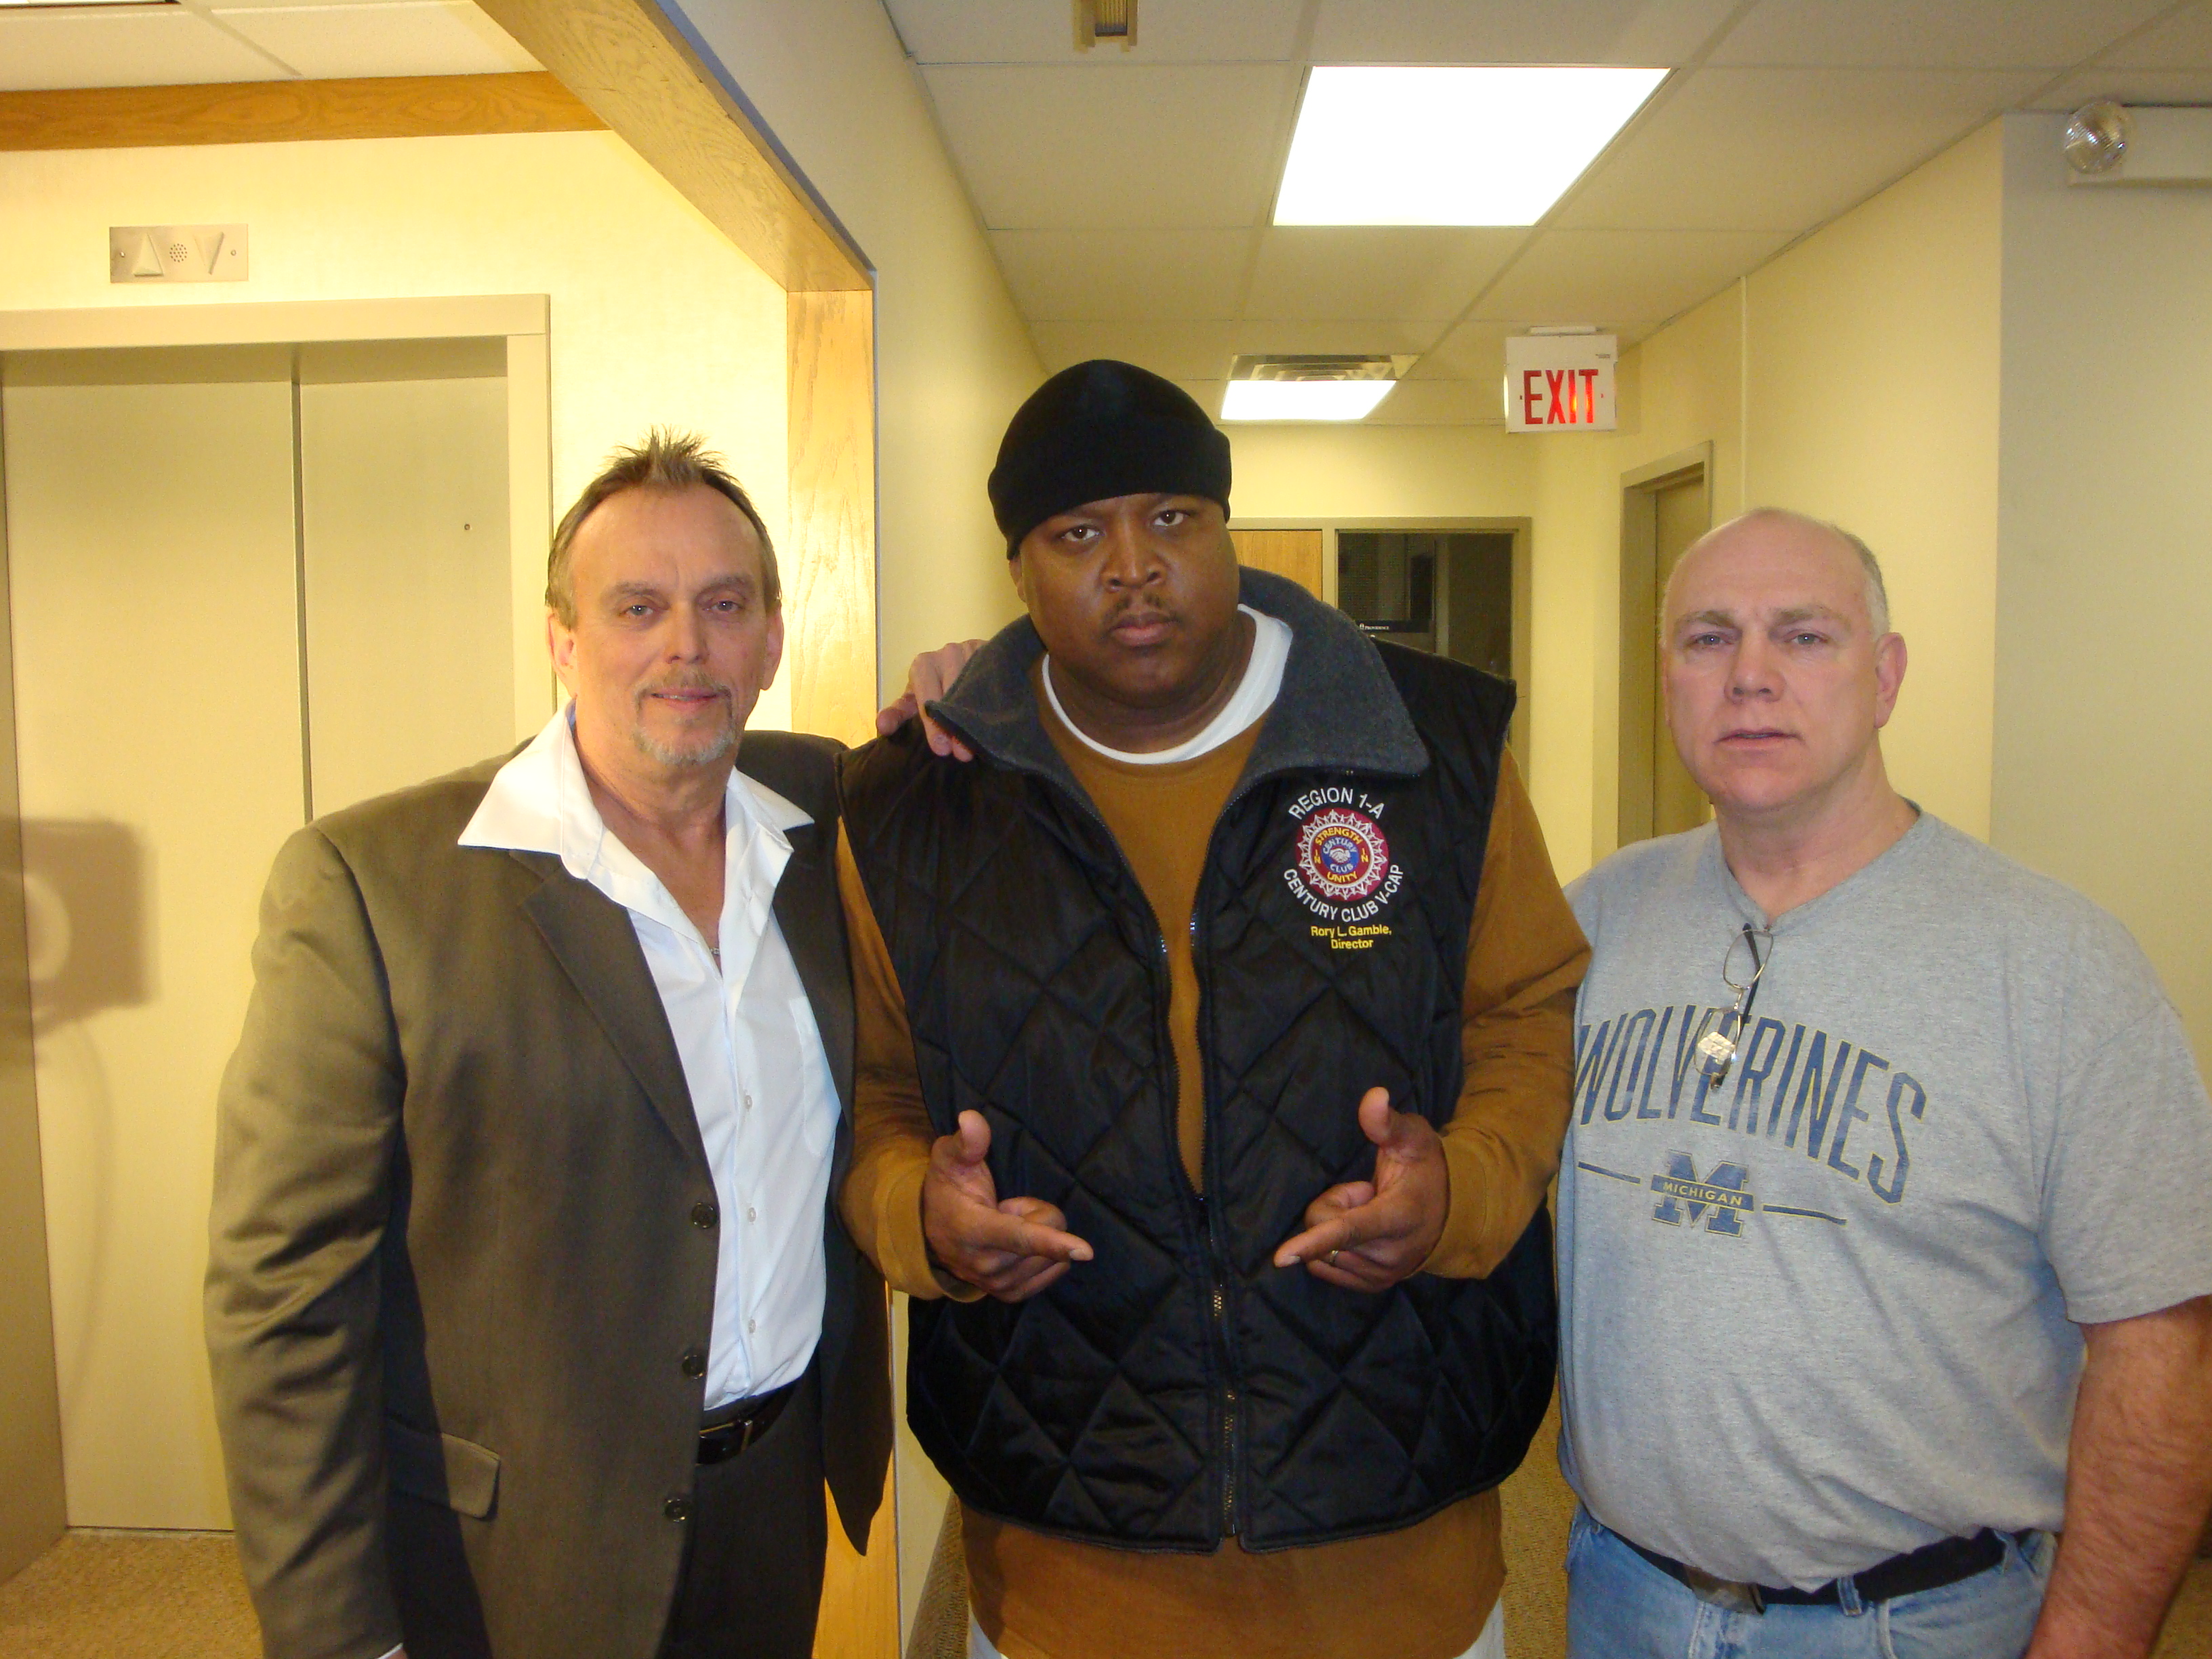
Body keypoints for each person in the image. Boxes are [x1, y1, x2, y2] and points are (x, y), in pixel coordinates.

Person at [836, 361, 1589, 1659]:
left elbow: (1524, 1017)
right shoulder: (915, 809)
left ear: (1228, 533)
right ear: (1018, 568)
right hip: (1071, 1577)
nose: (1134, 566)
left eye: (1174, 518)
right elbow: (873, 1096)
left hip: (1399, 1563)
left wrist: (1459, 1192)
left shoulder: (1432, 753)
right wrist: (923, 1216)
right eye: (1079, 533)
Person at [205, 432, 891, 1659]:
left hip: (772, 1503)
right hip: (516, 1551)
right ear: (564, 639)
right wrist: (335, 1636)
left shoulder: (828, 819)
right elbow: (281, 1299)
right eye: (638, 606)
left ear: (774, 638)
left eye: (724, 605)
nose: (686, 645)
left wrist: (979, 684)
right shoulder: (372, 885)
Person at [1559, 508, 2212, 1658]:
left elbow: (2163, 1346)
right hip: (1621, 1597)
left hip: (1914, 1626)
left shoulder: (2054, 966)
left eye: (1804, 637)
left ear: (1888, 676)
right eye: (1709, 639)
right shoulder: (1597, 919)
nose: (1751, 677)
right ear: (1666, 680)